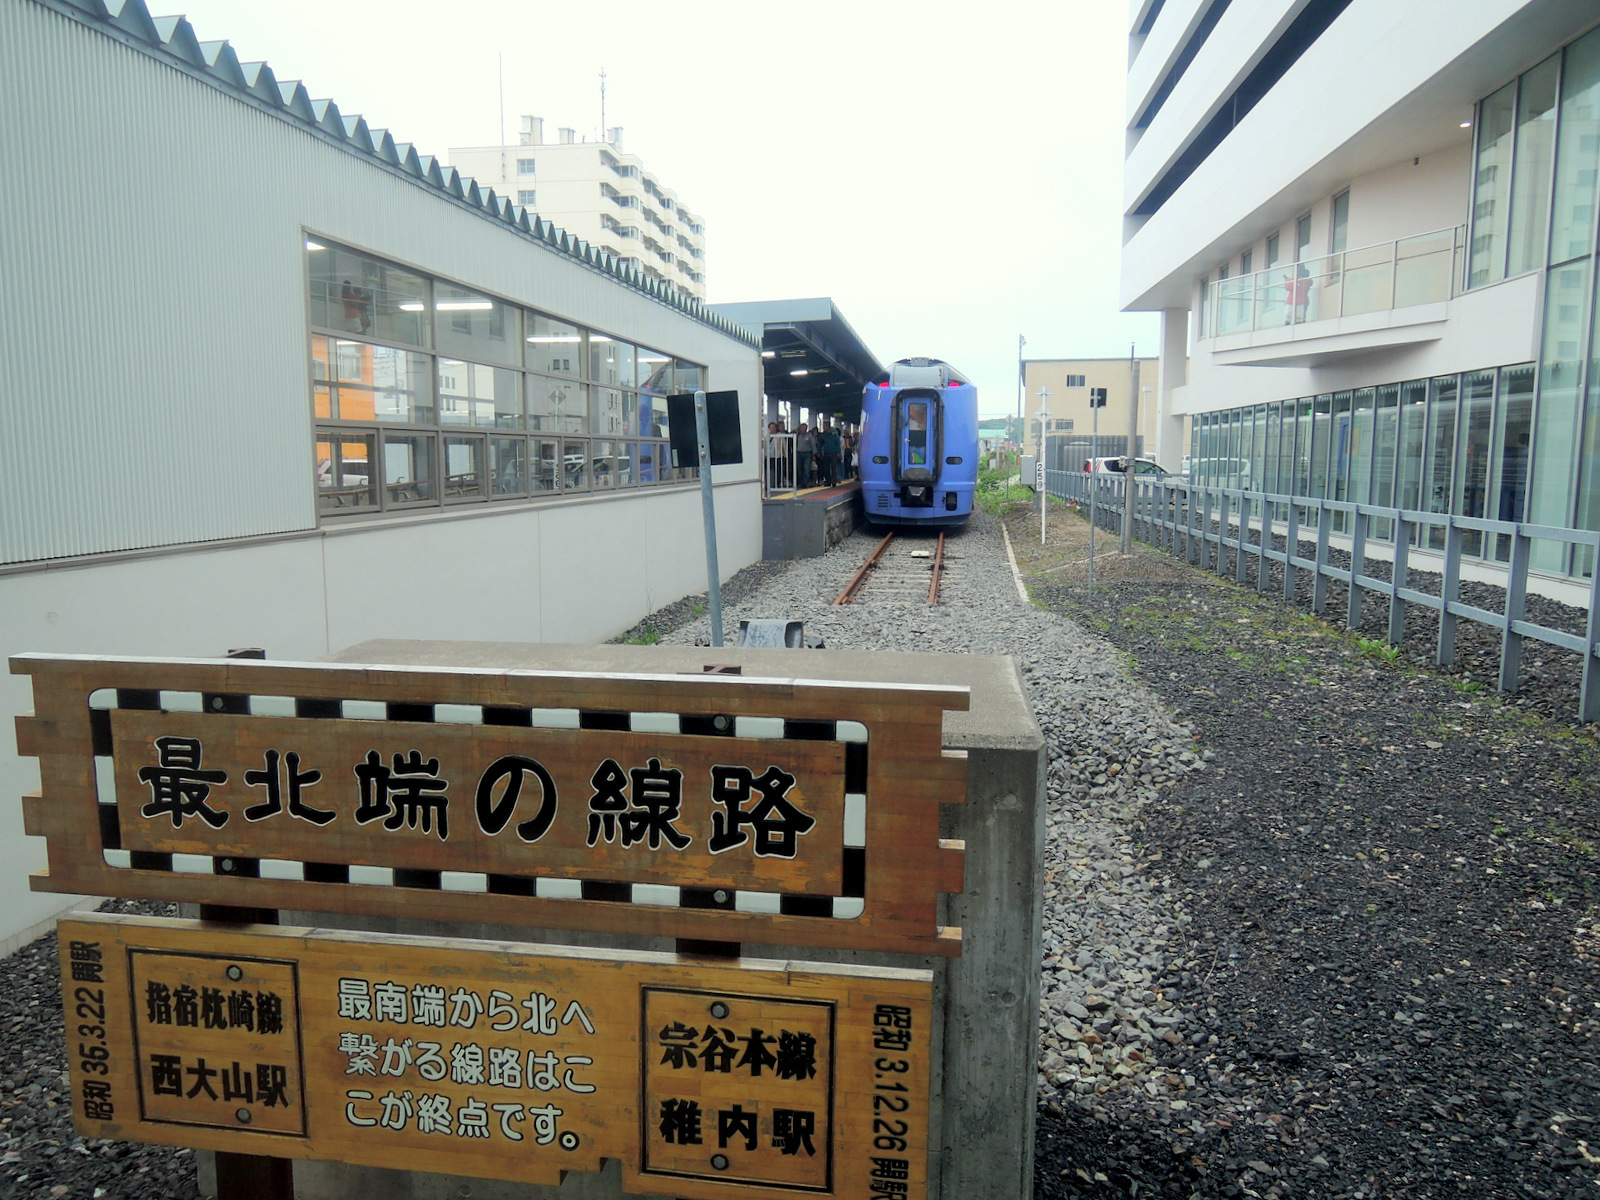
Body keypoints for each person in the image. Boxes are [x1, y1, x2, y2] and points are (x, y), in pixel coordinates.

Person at [819, 421, 842, 487]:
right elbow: (820, 443)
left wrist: (838, 451)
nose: (823, 427)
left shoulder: (834, 433)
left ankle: (834, 481)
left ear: (827, 426)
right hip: (826, 453)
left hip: (834, 453)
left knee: (833, 468)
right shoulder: (823, 435)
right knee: (826, 468)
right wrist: (819, 451)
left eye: (824, 426)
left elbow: (837, 442)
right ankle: (828, 481)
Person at [795, 423, 816, 489]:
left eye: (805, 428)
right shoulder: (797, 435)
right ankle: (801, 483)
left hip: (807, 454)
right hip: (799, 454)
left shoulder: (809, 436)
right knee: (799, 469)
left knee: (806, 468)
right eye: (802, 428)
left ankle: (806, 482)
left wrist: (814, 454)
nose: (804, 429)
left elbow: (813, 445)